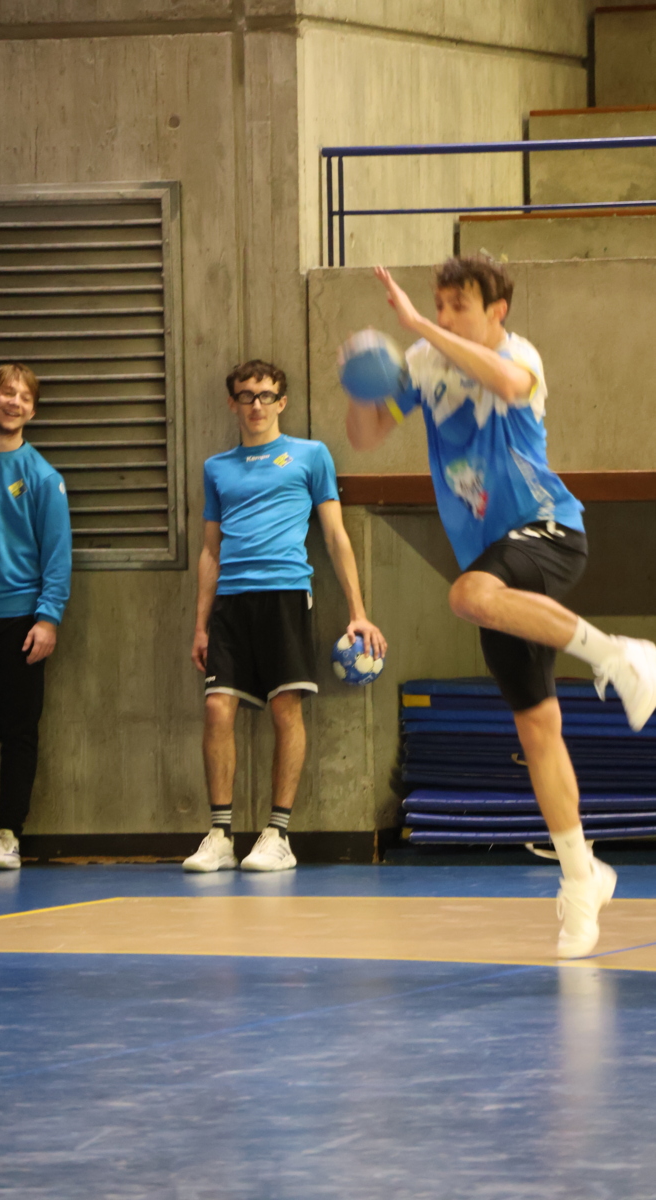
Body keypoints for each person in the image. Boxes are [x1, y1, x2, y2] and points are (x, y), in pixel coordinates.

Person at [343, 255, 656, 958]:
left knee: (468, 594)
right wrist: (366, 385)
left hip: (550, 530)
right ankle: (582, 877)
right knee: (538, 728)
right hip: (495, 560)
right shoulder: (422, 364)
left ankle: (623, 656)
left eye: (459, 305)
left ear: (497, 311)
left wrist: (418, 327)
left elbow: (508, 385)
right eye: (438, 304)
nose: (444, 315)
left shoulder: (520, 355)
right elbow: (365, 436)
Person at [184, 359, 386, 873]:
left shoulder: (311, 456)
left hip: (287, 594)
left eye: (266, 395)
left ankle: (277, 835)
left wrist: (358, 612)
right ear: (232, 403)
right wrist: (201, 624)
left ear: (282, 401)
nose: (257, 405)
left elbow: (335, 536)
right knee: (217, 709)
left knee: (284, 711)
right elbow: (210, 551)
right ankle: (220, 835)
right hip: (231, 603)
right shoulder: (216, 468)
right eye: (246, 396)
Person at [0, 363, 71, 870]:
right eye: (5, 393)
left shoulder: (42, 477)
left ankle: (7, 834)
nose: (14, 402)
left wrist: (48, 618)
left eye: (24, 397)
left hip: (18, 622)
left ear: (32, 412)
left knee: (17, 735)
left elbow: (57, 555)